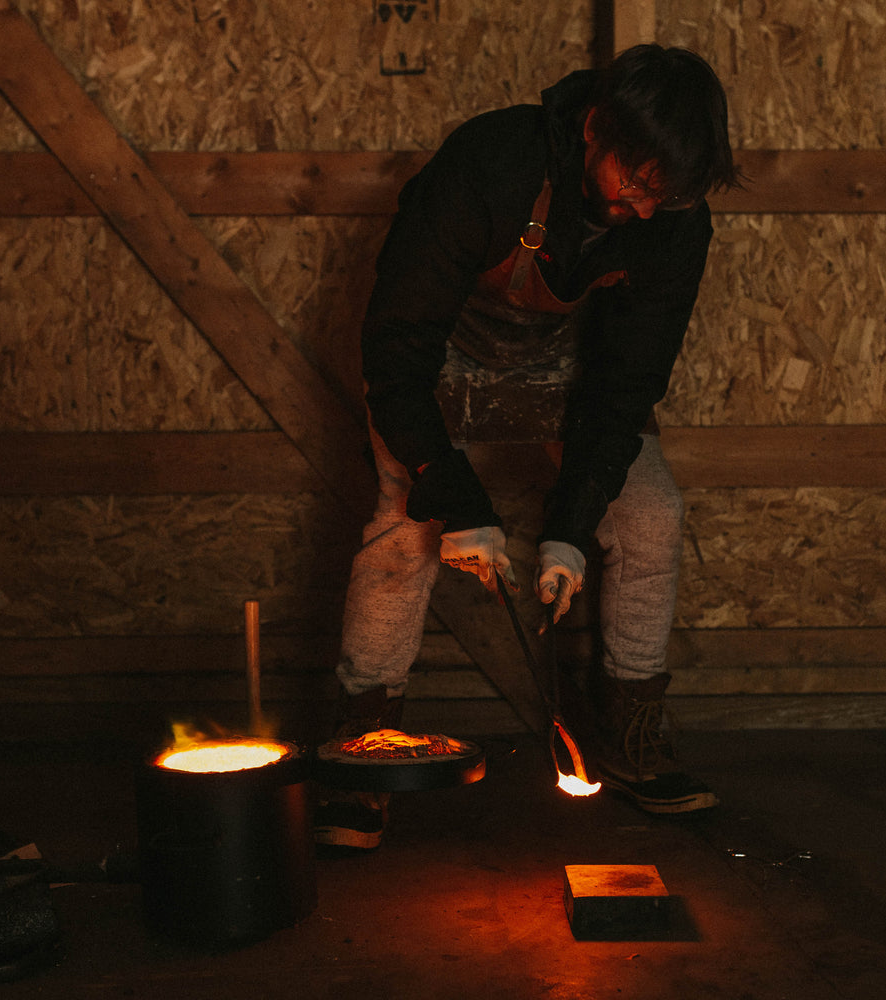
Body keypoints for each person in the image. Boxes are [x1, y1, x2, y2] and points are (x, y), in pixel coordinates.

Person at [317, 44, 741, 850]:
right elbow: (397, 350)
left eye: (668, 197)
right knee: (404, 526)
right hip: (438, 357)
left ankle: (629, 734)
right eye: (638, 184)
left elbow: (624, 387)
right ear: (595, 129)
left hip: (566, 370)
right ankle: (362, 755)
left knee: (651, 510)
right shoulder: (489, 162)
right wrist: (449, 488)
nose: (647, 210)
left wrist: (571, 531)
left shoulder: (673, 222)